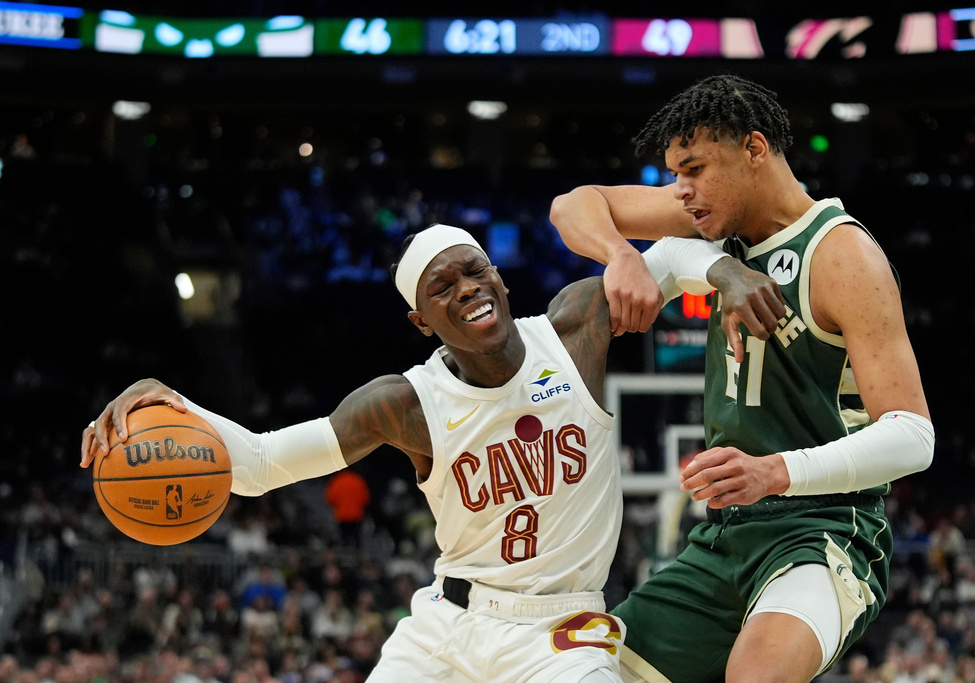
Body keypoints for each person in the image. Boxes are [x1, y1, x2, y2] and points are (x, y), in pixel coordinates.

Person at [81, 224, 773, 682]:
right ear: (421, 320)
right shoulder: (403, 402)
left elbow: (668, 260)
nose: (466, 289)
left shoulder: (574, 328)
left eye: (474, 272)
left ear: (498, 278)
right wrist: (175, 401)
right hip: (448, 624)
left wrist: (725, 273)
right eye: (442, 288)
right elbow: (262, 464)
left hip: (562, 629)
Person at [549, 74, 935, 683]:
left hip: (823, 530)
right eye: (676, 174)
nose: (683, 192)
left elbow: (914, 436)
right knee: (578, 672)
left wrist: (774, 471)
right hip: (726, 537)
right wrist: (622, 254)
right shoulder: (712, 231)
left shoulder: (840, 253)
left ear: (755, 149)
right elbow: (572, 204)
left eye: (696, 169)